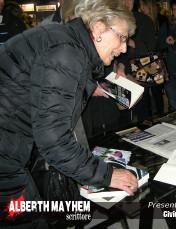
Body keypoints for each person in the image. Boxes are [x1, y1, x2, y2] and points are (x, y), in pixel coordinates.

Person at [0, 0, 138, 226]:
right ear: (98, 28)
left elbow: (39, 83)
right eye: (121, 37)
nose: (124, 48)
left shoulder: (66, 41)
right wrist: (108, 175)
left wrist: (84, 87)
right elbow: (54, 141)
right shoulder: (67, 52)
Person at [118, 0, 157, 123]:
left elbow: (151, 47)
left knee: (142, 110)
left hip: (141, 71)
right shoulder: (112, 19)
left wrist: (131, 43)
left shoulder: (143, 20)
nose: (125, 2)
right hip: (120, 72)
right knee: (122, 111)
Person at [139, 0, 168, 115]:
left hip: (156, 61)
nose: (141, 8)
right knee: (145, 93)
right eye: (140, 5)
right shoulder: (139, 19)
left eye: (143, 5)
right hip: (142, 60)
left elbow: (162, 44)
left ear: (150, 5)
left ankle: (160, 117)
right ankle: (148, 118)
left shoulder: (161, 20)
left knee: (157, 93)